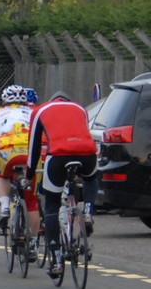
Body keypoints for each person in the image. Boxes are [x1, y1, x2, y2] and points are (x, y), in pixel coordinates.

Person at [25, 91, 99, 278]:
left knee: (52, 205)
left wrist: (29, 175)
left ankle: (56, 260)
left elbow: (34, 148)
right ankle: (88, 211)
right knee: (91, 177)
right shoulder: (80, 108)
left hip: (58, 156)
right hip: (87, 153)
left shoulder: (40, 110)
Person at [0, 84, 40, 242]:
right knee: (32, 202)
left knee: (1, 176)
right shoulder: (35, 112)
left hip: (7, 153)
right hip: (30, 154)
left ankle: (5, 207)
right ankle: (34, 243)